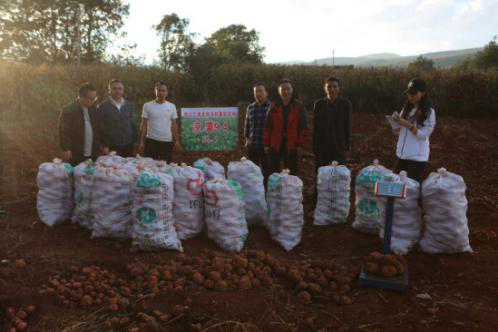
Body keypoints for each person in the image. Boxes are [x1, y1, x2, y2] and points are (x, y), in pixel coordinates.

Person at [392, 78, 436, 182]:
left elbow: (423, 136)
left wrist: (409, 126)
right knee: (397, 188)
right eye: (409, 93)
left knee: (411, 190)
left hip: (417, 158)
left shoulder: (429, 112)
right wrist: (396, 127)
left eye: (414, 93)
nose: (410, 96)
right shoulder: (407, 108)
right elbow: (400, 129)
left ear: (423, 93)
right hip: (401, 154)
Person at [263, 79, 308, 176]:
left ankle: (291, 190)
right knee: (273, 171)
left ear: (292, 90)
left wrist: (300, 145)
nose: (286, 92)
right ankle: (274, 190)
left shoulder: (299, 106)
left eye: (288, 89)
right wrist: (266, 143)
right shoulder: (273, 106)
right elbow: (267, 126)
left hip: (292, 144)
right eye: (283, 89)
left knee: (291, 171)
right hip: (275, 143)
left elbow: (303, 128)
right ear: (279, 91)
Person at [58, 83, 108, 165]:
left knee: (91, 173)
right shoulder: (68, 110)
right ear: (81, 97)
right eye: (91, 98)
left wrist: (104, 144)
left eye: (95, 98)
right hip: (76, 151)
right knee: (76, 173)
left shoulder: (94, 109)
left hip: (93, 151)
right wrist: (66, 148)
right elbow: (64, 131)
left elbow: (99, 128)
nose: (93, 101)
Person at [313, 76, 352, 168]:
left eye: (335, 87)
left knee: (338, 173)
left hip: (338, 145)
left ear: (339, 88)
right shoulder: (319, 104)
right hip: (322, 145)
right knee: (321, 172)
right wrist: (315, 145)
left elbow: (347, 126)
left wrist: (346, 146)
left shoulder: (345, 104)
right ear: (325, 88)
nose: (332, 89)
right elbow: (316, 127)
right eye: (329, 87)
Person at [138, 82, 181, 162]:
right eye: (159, 90)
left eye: (163, 90)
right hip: (151, 141)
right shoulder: (147, 105)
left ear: (167, 92)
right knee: (150, 166)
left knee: (166, 166)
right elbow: (144, 124)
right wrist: (141, 141)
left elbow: (174, 125)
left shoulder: (172, 106)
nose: (161, 92)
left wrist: (177, 141)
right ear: (155, 91)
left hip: (167, 141)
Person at [98, 79, 137, 157]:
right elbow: (99, 127)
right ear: (109, 90)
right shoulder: (102, 106)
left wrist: (136, 141)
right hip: (111, 145)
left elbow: (133, 124)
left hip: (128, 144)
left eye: (120, 89)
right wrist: (103, 145)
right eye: (114, 88)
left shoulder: (130, 105)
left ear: (123, 90)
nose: (117, 91)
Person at [245, 84, 271, 181]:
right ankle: (254, 189)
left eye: (261, 91)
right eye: (256, 92)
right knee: (252, 169)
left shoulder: (271, 107)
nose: (258, 93)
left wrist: (270, 144)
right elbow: (247, 125)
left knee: (267, 169)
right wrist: (247, 139)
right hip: (253, 144)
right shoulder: (250, 107)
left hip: (266, 145)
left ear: (266, 93)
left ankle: (265, 190)